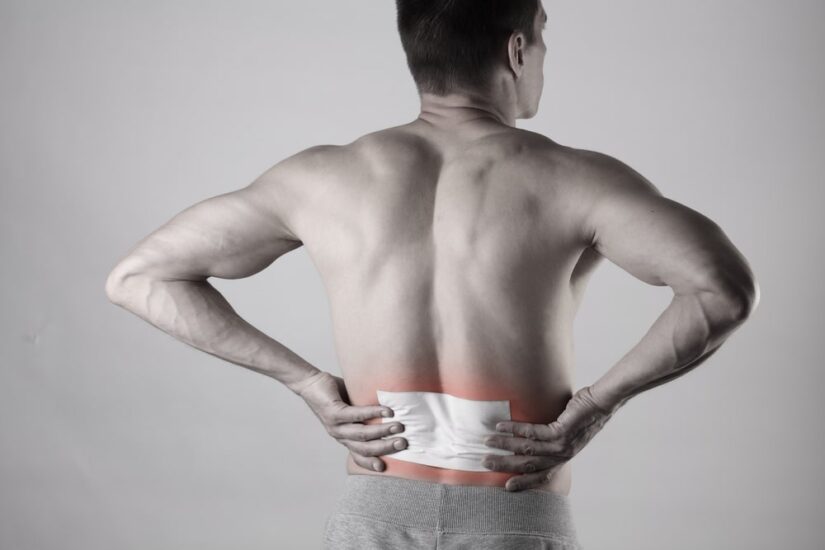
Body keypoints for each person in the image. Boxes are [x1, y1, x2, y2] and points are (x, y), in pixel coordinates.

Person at [104, 0, 760, 548]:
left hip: (374, 517)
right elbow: (719, 289)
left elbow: (139, 278)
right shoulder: (575, 180)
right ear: (517, 48)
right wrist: (592, 407)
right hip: (513, 518)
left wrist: (304, 382)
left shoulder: (317, 179)